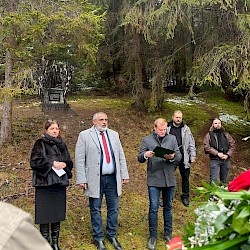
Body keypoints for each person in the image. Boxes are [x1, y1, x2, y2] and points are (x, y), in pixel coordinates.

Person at [75, 112, 129, 250]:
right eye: (101, 120)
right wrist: (81, 178)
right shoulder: (85, 135)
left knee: (114, 208)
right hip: (94, 179)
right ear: (94, 122)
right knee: (95, 208)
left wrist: (124, 174)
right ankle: (98, 238)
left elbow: (120, 156)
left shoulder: (114, 135)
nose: (104, 122)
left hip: (112, 178)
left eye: (106, 119)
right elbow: (79, 158)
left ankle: (112, 235)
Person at [137, 118, 182, 250]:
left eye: (164, 129)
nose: (163, 132)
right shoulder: (147, 140)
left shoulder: (172, 138)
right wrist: (145, 154)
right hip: (154, 179)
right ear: (155, 128)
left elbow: (179, 157)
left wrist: (172, 157)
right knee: (154, 207)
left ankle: (168, 233)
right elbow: (139, 157)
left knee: (168, 207)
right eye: (160, 130)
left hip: (169, 178)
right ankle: (153, 236)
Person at [30, 119, 73, 250]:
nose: (55, 131)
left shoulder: (62, 145)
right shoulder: (40, 143)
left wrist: (64, 164)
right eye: (52, 129)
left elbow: (69, 162)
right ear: (46, 130)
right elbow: (34, 162)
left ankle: (55, 243)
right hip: (44, 185)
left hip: (59, 184)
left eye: (57, 129)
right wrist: (52, 163)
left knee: (56, 214)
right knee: (44, 215)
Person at [167, 110, 196, 207]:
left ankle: (185, 197)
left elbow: (191, 143)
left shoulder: (186, 129)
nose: (178, 119)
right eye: (177, 117)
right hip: (170, 156)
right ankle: (167, 197)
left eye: (180, 117)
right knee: (168, 177)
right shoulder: (167, 127)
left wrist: (193, 156)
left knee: (185, 178)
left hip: (184, 157)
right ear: (173, 117)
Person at [203, 118, 235, 185]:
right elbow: (207, 147)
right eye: (216, 123)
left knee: (224, 180)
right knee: (213, 179)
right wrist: (217, 153)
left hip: (226, 160)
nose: (218, 125)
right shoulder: (208, 135)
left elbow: (232, 145)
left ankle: (222, 195)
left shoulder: (226, 135)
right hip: (215, 160)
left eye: (219, 123)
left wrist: (228, 155)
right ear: (212, 125)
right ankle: (212, 195)